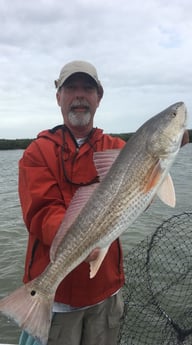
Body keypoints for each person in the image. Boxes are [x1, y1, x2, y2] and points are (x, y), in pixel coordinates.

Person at [18, 60, 125, 345]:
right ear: (58, 97)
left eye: (87, 88)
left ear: (99, 97)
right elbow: (42, 212)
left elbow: (143, 191)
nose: (79, 95)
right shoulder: (37, 153)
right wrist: (82, 240)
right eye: (71, 88)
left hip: (105, 293)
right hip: (57, 300)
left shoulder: (116, 149)